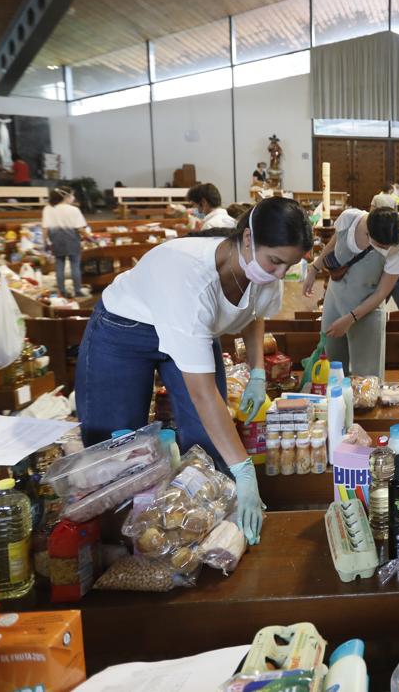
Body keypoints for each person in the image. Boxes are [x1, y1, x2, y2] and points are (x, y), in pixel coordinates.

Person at [75, 197, 311, 545]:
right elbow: (203, 394)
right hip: (125, 330)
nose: (278, 275)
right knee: (117, 447)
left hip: (190, 328)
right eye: (275, 262)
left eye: (287, 267)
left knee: (208, 439)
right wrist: (245, 471)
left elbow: (253, 314)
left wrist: (257, 372)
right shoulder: (192, 280)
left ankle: (202, 527)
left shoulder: (263, 271)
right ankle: (122, 541)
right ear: (247, 239)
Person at [305, 206, 399, 377]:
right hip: (335, 300)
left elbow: (381, 293)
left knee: (367, 375)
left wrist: (351, 318)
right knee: (333, 364)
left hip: (367, 309)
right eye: (380, 245)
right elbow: (331, 246)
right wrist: (314, 269)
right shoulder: (349, 218)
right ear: (368, 232)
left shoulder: (398, 248)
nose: (383, 248)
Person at [43, 186, 88, 299]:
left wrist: (45, 242)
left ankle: (61, 291)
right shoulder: (74, 210)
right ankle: (77, 290)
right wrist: (90, 237)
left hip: (56, 239)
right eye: (72, 195)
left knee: (59, 266)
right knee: (75, 266)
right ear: (66, 196)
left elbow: (45, 228)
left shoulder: (48, 209)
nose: (73, 197)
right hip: (72, 239)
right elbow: (80, 229)